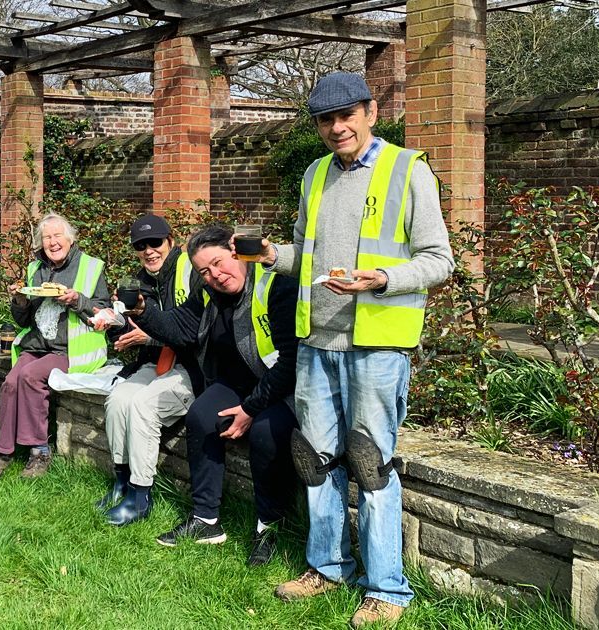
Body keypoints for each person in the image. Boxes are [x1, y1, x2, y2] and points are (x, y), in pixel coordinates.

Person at [256, 72, 454, 627]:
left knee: (371, 464)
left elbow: (440, 261)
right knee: (314, 461)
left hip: (377, 346)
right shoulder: (315, 173)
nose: (336, 127)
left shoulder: (407, 170)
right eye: (325, 119)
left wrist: (381, 280)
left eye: (346, 115)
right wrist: (277, 255)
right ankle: (326, 566)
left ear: (370, 112)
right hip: (318, 341)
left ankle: (387, 588)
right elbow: (310, 257)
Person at [114, 225, 299, 566]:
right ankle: (206, 520)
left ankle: (268, 525)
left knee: (264, 432)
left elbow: (291, 362)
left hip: (283, 387)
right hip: (241, 382)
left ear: (236, 252)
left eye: (218, 263)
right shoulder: (208, 292)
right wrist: (142, 311)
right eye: (204, 271)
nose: (215, 275)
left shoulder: (277, 284)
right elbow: (180, 330)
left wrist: (250, 409)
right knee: (201, 415)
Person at [0, 213, 110, 480]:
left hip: (70, 349)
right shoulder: (34, 269)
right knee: (12, 381)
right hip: (38, 345)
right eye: (47, 238)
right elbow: (23, 320)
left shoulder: (91, 267)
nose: (52, 242)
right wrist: (20, 301)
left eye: (57, 236)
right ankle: (4, 452)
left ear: (70, 239)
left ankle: (39, 451)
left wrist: (77, 300)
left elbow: (105, 314)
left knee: (29, 377)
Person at [97, 214, 202, 526]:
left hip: (191, 366)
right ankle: (121, 480)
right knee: (118, 400)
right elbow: (125, 333)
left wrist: (151, 335)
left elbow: (195, 332)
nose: (148, 250)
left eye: (155, 242)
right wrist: (113, 324)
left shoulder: (192, 271)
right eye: (140, 246)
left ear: (170, 240)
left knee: (143, 404)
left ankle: (141, 495)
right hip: (155, 362)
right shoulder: (138, 281)